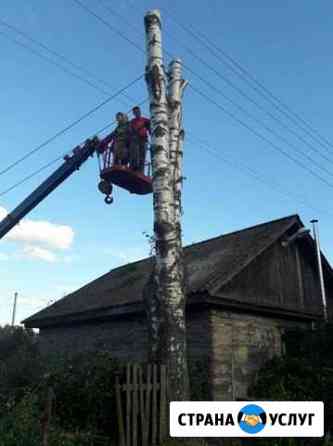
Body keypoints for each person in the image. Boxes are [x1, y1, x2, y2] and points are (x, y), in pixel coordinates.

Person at [129, 106, 150, 173]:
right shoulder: (132, 122)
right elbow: (129, 130)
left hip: (143, 139)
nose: (137, 113)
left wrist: (151, 132)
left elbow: (150, 127)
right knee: (135, 152)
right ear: (133, 114)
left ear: (140, 112)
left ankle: (141, 171)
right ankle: (134, 166)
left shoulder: (145, 120)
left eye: (137, 112)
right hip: (135, 138)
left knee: (142, 154)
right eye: (135, 112)